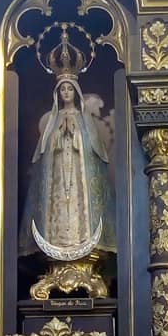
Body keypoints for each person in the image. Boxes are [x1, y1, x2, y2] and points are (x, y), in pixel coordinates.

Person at [18, 73, 114, 261]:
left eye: (70, 89)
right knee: (58, 204)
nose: (66, 92)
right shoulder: (54, 119)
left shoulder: (84, 117)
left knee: (79, 203)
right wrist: (59, 133)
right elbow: (46, 149)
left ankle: (82, 240)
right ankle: (56, 242)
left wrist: (76, 134)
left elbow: (92, 147)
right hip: (58, 174)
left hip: (79, 173)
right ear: (58, 93)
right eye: (63, 89)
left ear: (76, 92)